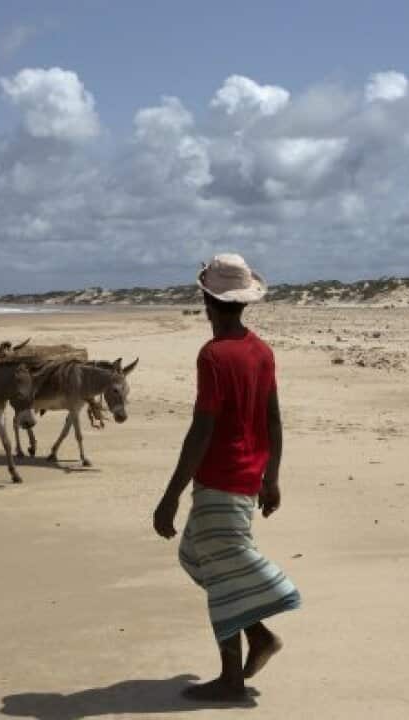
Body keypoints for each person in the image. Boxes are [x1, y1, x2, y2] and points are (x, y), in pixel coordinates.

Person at [152, 254, 300, 703]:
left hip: (222, 480)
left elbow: (202, 428)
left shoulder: (214, 355)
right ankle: (257, 635)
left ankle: (232, 678)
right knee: (195, 556)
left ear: (206, 299)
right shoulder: (260, 351)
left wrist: (170, 495)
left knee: (222, 573)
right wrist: (270, 476)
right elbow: (274, 420)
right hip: (247, 476)